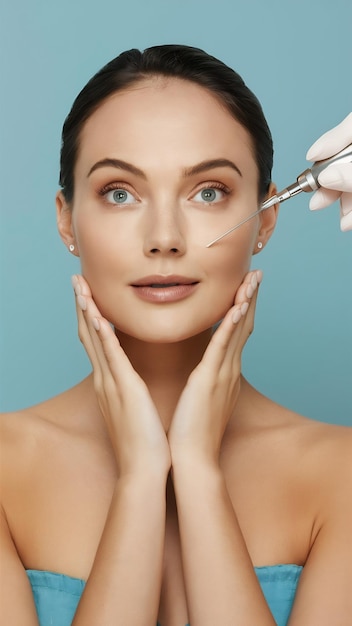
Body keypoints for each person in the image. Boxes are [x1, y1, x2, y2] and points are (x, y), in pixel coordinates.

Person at [0, 45, 351, 626]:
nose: (164, 237)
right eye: (120, 193)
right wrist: (140, 477)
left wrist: (196, 468)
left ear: (265, 219)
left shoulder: (341, 474)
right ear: (66, 219)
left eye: (208, 191)